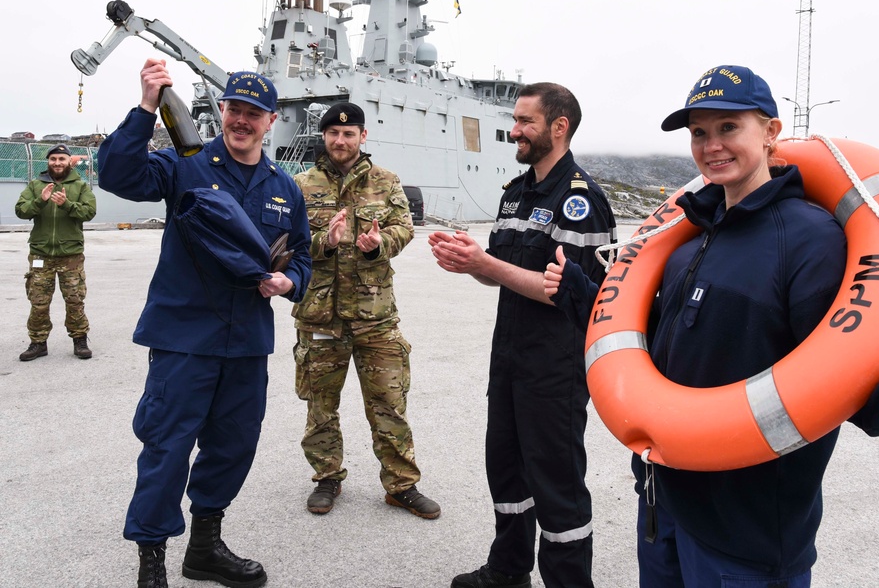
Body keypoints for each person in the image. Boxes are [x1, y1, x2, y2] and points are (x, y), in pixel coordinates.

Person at [544, 65, 879, 587]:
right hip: (664, 504)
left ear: (770, 133)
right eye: (699, 132)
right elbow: (655, 340)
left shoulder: (810, 241)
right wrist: (580, 294)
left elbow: (847, 369)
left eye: (729, 127)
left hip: (748, 536)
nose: (711, 145)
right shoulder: (688, 240)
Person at [99, 60, 311, 588]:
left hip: (246, 344)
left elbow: (302, 256)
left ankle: (205, 547)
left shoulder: (285, 185)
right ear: (221, 112)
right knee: (168, 447)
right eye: (234, 109)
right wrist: (147, 107)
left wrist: (290, 283)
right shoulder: (184, 164)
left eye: (254, 113)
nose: (242, 120)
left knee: (234, 445)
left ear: (270, 121)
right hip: (184, 339)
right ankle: (152, 558)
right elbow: (118, 175)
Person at [429, 82, 617, 588]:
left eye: (524, 122)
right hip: (509, 359)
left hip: (554, 369)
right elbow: (500, 272)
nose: (514, 130)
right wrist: (469, 262)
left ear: (559, 127)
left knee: (557, 485)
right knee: (506, 471)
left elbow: (571, 293)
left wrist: (486, 262)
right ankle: (509, 572)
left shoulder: (581, 202)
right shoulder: (516, 194)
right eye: (515, 120)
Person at [290, 101, 439, 520]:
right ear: (324, 137)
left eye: (349, 133)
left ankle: (401, 485)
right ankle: (327, 478)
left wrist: (380, 244)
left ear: (362, 136)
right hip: (320, 316)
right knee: (321, 406)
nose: (341, 140)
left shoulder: (386, 181)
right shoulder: (301, 184)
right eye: (334, 134)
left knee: (389, 404)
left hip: (376, 316)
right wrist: (326, 242)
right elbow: (288, 243)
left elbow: (403, 227)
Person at [15, 143, 97, 361]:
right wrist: (39, 201)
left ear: (69, 162)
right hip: (41, 254)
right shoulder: (35, 185)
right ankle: (38, 343)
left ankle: (80, 340)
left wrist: (67, 205)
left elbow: (89, 212)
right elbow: (21, 211)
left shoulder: (80, 186)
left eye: (62, 159)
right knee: (39, 302)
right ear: (48, 162)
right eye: (53, 159)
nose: (57, 163)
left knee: (75, 300)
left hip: (70, 255)